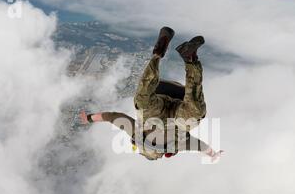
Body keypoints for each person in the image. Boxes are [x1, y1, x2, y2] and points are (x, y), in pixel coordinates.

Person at [79, 27, 223, 162]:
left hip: (165, 99)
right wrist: (90, 118)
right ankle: (182, 57)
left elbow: (113, 117)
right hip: (173, 101)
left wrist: (212, 154)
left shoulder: (144, 135)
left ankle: (164, 54)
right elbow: (113, 117)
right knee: (146, 103)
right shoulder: (162, 140)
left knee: (191, 112)